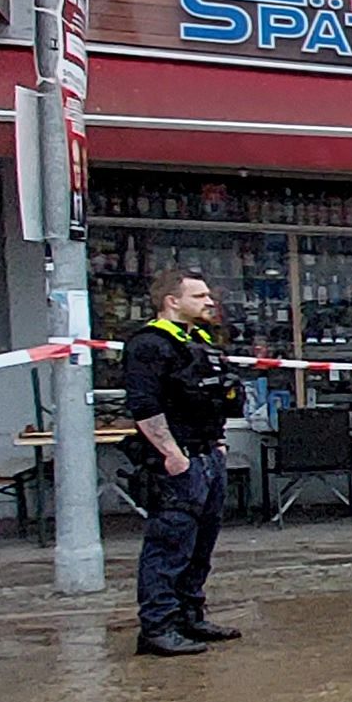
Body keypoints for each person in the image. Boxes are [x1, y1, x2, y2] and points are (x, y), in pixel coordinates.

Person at [121, 270, 243, 659]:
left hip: (207, 455)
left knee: (200, 546)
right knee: (169, 545)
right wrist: (171, 454)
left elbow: (214, 399)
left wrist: (219, 443)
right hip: (179, 461)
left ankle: (191, 616)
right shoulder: (149, 345)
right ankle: (158, 627)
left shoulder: (198, 341)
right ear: (172, 301)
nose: (209, 301)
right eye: (200, 295)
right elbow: (144, 405)